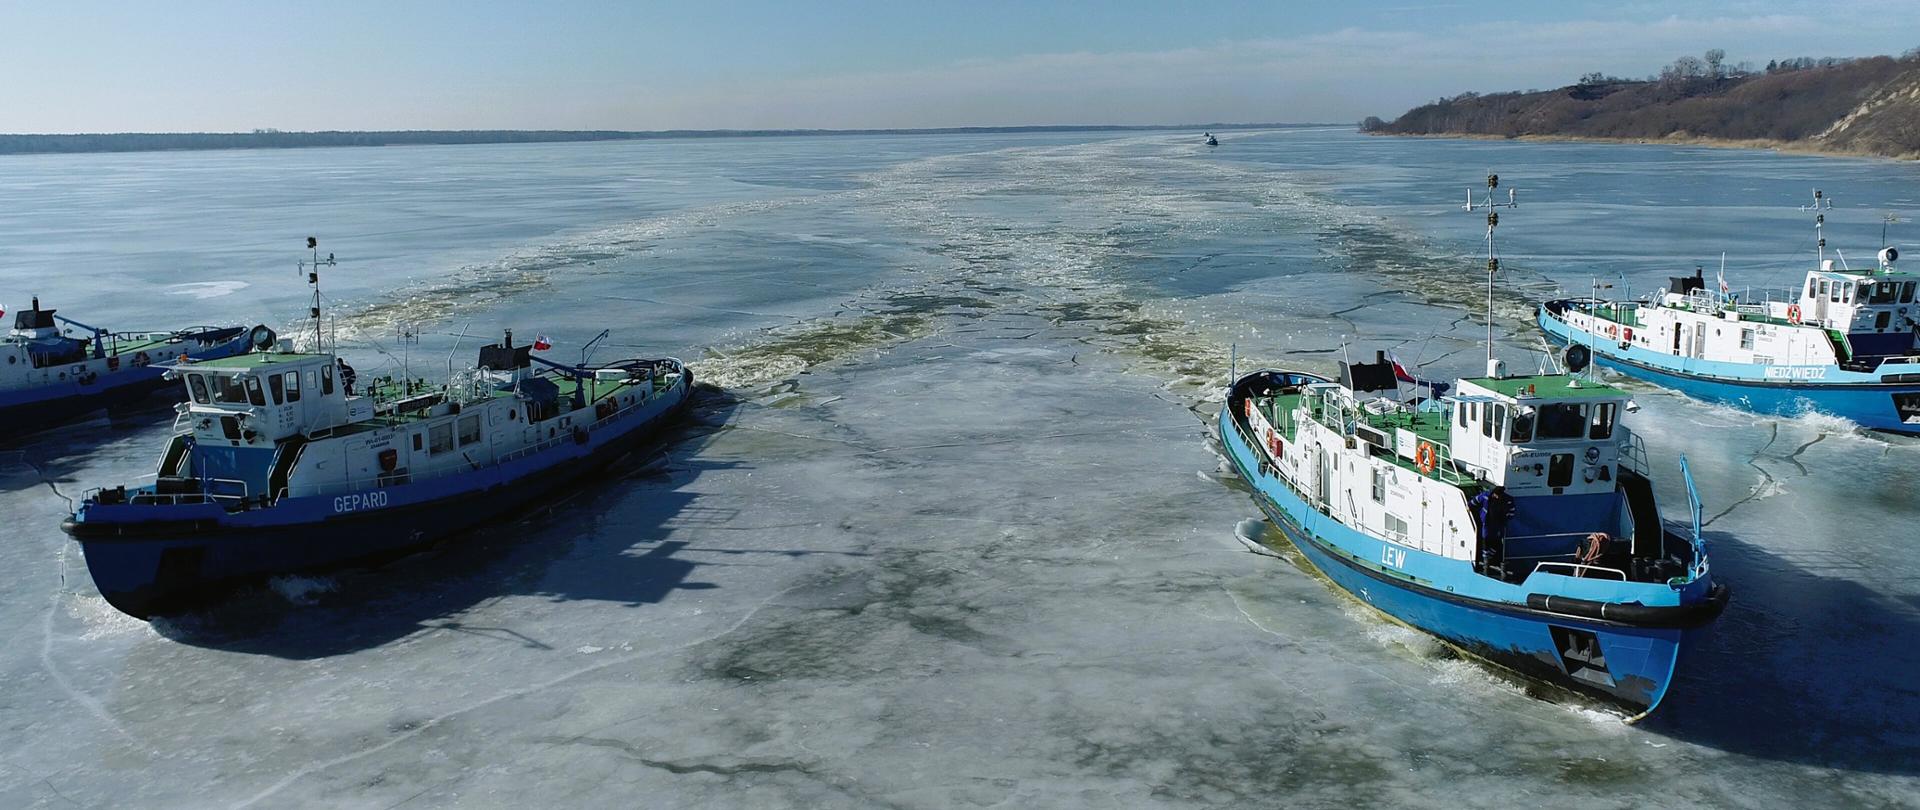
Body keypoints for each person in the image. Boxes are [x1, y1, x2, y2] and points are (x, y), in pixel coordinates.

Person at [1469, 484, 1517, 574]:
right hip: (1486, 523)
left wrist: (1506, 518)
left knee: (1497, 541)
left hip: (1498, 523)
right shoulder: (1486, 496)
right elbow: (1474, 501)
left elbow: (1512, 510)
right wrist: (1469, 509)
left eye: (1498, 495)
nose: (1497, 496)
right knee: (1485, 540)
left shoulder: (1507, 500)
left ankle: (1488, 558)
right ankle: (1485, 560)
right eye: (1496, 494)